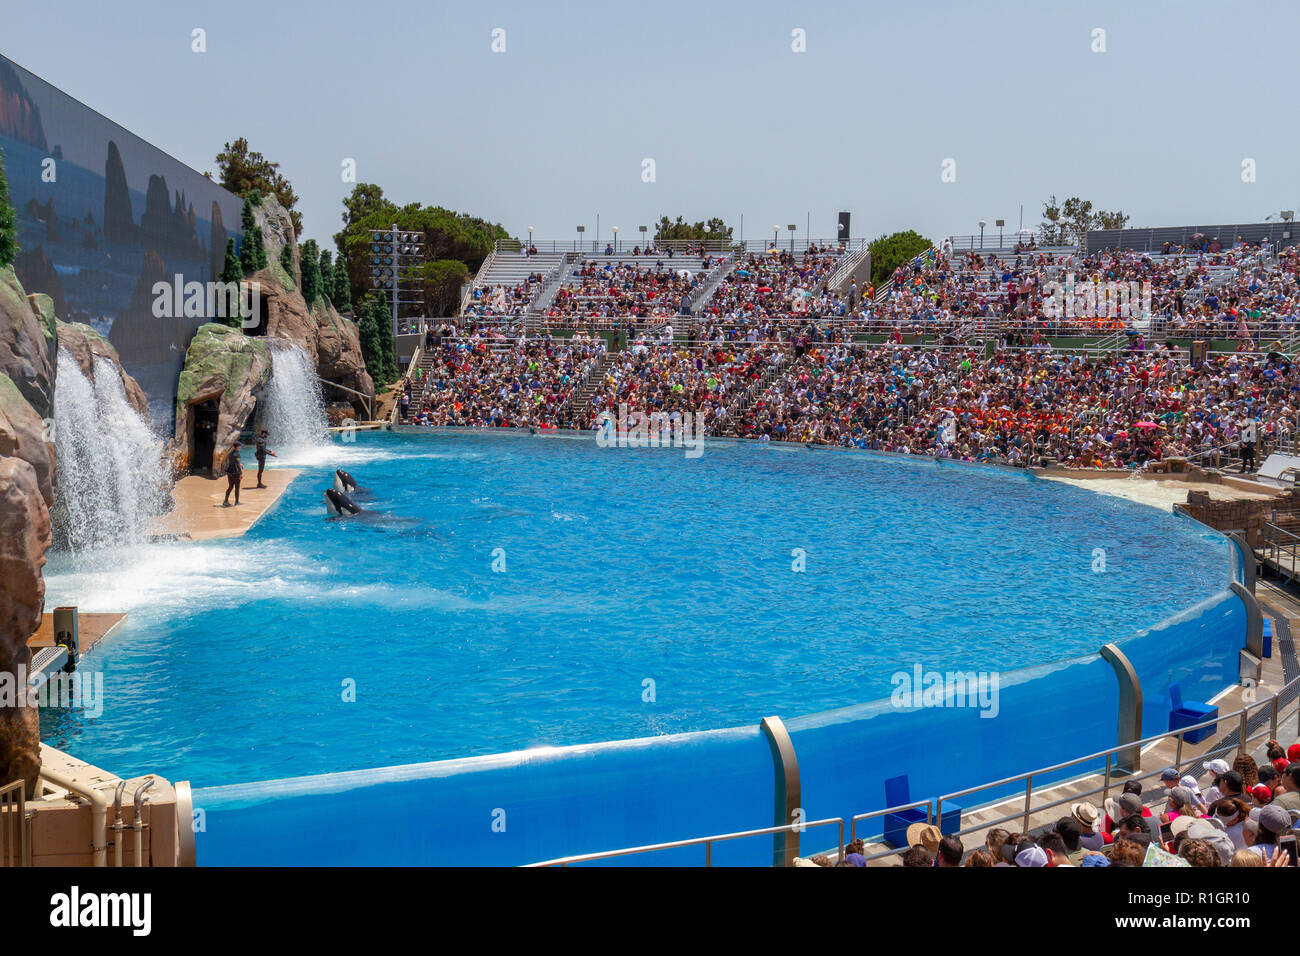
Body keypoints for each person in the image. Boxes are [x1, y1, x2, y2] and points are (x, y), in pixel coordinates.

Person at [223, 441, 243, 507]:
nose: (240, 447)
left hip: (230, 472)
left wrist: (239, 464)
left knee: (230, 487)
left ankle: (225, 501)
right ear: (237, 447)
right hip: (236, 473)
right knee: (237, 487)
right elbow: (237, 464)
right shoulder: (237, 454)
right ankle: (237, 502)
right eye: (240, 446)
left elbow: (234, 462)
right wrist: (240, 473)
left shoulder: (230, 453)